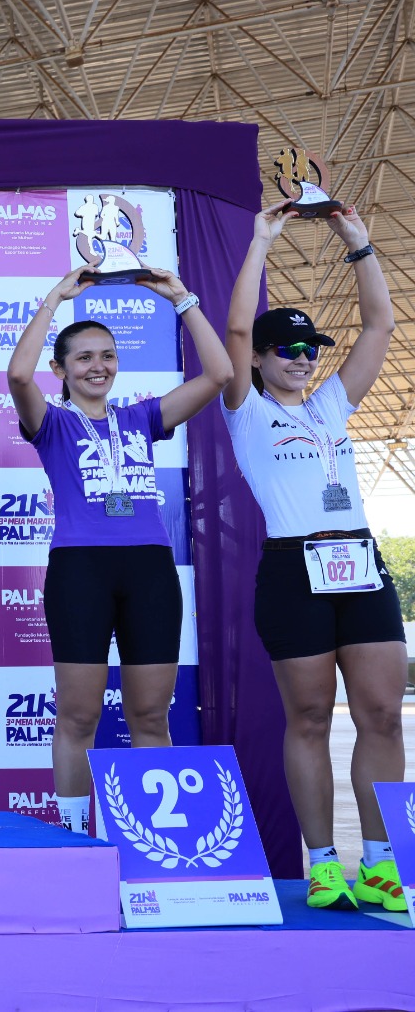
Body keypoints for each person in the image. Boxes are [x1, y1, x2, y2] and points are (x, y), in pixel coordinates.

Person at [222, 201, 405, 911]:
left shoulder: (331, 405)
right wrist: (263, 240)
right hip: (293, 569)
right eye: (288, 352)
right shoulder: (245, 407)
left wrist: (355, 238)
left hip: (360, 565)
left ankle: (384, 864)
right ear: (261, 360)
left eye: (310, 352)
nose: (303, 361)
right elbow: (236, 327)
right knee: (307, 719)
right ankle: (324, 864)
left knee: (383, 713)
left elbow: (380, 326)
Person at [6, 266, 233, 836]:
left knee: (150, 714)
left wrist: (183, 298)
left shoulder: (141, 418)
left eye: (107, 355)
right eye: (83, 358)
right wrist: (56, 296)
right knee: (78, 715)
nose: (98, 366)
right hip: (81, 570)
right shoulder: (52, 425)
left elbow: (221, 374)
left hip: (149, 569)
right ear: (61, 370)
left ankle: (159, 842)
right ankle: (68, 837)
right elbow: (16, 375)